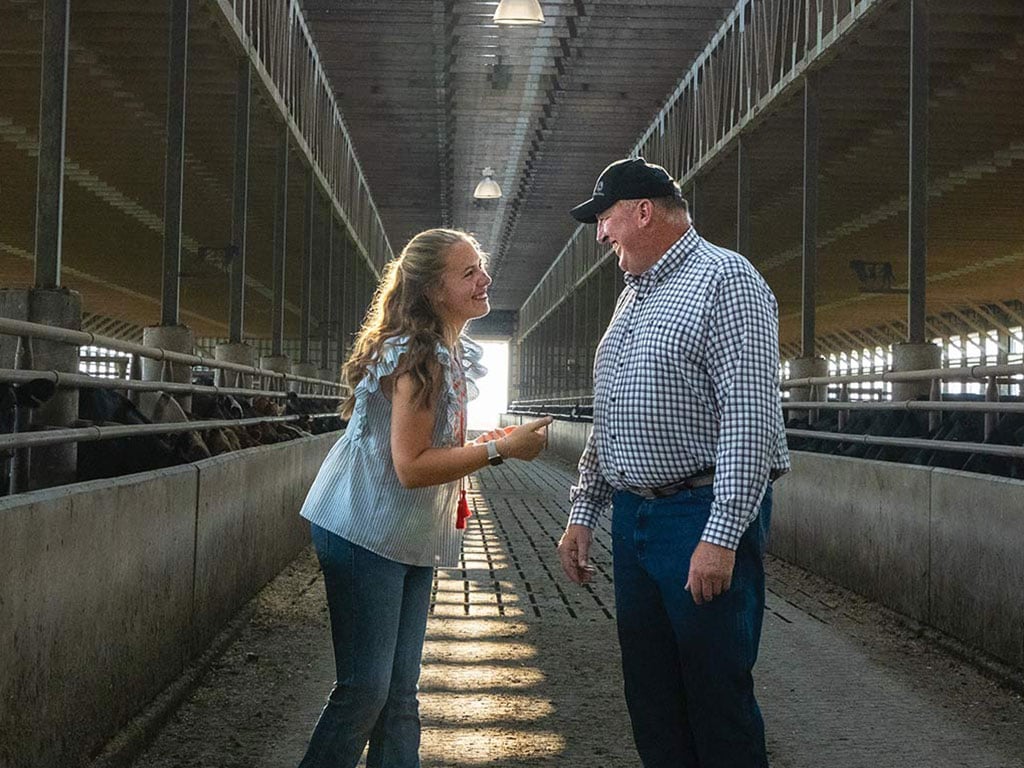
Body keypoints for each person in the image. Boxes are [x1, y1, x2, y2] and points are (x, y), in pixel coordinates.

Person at [556, 158, 790, 768]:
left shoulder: (725, 279)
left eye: (605, 218)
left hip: (698, 510)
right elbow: (610, 412)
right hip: (635, 518)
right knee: (651, 694)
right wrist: (584, 510)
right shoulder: (632, 295)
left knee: (716, 692)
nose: (600, 235)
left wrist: (720, 536)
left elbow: (750, 418)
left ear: (643, 212)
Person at [296, 228, 552, 768]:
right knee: (367, 689)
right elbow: (411, 467)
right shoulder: (418, 357)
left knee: (400, 692)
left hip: (405, 533)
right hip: (363, 528)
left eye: (481, 267)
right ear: (435, 290)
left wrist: (481, 444)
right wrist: (502, 450)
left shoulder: (446, 353)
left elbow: (425, 446)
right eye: (469, 272)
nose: (485, 279)